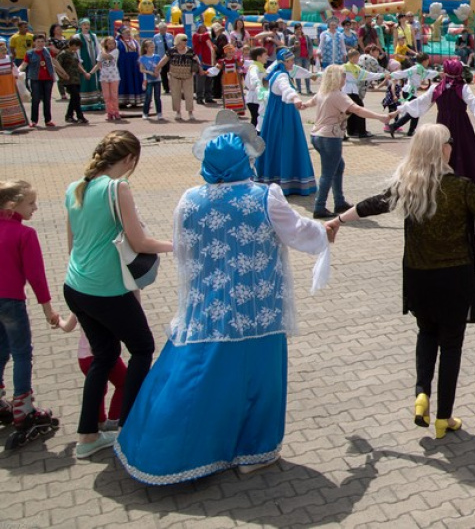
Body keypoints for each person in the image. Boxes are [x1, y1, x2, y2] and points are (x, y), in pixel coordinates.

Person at [116, 114, 331, 483]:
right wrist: (327, 231)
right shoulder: (264, 196)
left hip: (208, 306)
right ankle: (254, 451)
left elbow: (184, 249)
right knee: (258, 382)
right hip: (258, 308)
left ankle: (166, 446)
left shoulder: (190, 199)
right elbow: (299, 233)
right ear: (242, 160)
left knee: (197, 380)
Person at [326, 125, 475, 438]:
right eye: (449, 142)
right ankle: (444, 418)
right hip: (456, 278)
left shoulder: (408, 185)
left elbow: (373, 204)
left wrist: (336, 221)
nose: (452, 147)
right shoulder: (461, 187)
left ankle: (421, 393)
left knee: (426, 332)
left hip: (418, 277)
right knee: (451, 346)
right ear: (440, 149)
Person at [63, 132, 173, 458]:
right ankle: (128, 425)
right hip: (106, 290)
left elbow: (72, 247)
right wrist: (178, 245)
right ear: (129, 160)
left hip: (76, 287)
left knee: (105, 356)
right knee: (142, 348)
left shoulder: (74, 187)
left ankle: (87, 437)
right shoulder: (117, 188)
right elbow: (139, 243)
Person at [0, 180, 61, 446]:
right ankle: (23, 410)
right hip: (11, 302)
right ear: (13, 206)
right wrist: (48, 308)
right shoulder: (25, 234)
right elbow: (36, 275)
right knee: (22, 352)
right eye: (31, 203)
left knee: (2, 350)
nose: (35, 208)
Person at [397, 59, 475, 205]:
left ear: (445, 71)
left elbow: (420, 103)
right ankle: (471, 200)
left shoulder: (437, 88)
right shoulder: (461, 88)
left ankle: (441, 200)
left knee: (442, 159)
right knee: (467, 157)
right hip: (461, 127)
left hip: (443, 127)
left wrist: (398, 111)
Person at [307, 65, 394, 219]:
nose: (345, 79)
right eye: (343, 75)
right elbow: (358, 110)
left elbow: (309, 103)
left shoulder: (323, 92)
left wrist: (301, 104)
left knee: (338, 167)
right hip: (330, 137)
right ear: (335, 78)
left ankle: (339, 201)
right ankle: (319, 207)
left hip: (317, 136)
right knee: (328, 173)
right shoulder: (337, 95)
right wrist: (380, 117)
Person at [255, 49, 316, 196]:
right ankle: (287, 181)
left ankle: (273, 177)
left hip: (276, 115)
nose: (293, 63)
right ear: (284, 62)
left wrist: (314, 75)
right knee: (286, 144)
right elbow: (286, 88)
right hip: (284, 116)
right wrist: (295, 98)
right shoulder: (281, 75)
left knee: (276, 144)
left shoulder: (278, 73)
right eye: (290, 61)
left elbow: (298, 72)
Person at [58, 313, 124, 432]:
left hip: (84, 358)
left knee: (98, 389)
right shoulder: (108, 302)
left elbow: (68, 327)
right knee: (124, 382)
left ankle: (100, 421)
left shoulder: (79, 299)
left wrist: (58, 320)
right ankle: (114, 419)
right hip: (104, 354)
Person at [158, 33, 198, 121]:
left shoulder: (190, 50)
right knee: (176, 94)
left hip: (188, 76)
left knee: (189, 95)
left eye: (186, 40)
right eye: (184, 40)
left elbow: (196, 60)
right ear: (179, 41)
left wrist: (198, 69)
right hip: (174, 76)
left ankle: (190, 112)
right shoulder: (172, 51)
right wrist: (157, 68)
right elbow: (164, 60)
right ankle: (178, 112)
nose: (185, 42)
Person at [20, 34, 57, 128]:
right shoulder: (30, 53)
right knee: (35, 99)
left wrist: (63, 73)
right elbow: (24, 64)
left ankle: (48, 120)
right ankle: (34, 120)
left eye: (42, 41)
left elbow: (54, 62)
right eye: (38, 42)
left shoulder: (48, 51)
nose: (40, 44)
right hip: (35, 79)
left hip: (48, 78)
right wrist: (17, 71)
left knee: (47, 100)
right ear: (34, 43)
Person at [76, 19, 104, 113]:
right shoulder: (77, 36)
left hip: (94, 61)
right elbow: (77, 50)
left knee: (96, 80)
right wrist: (79, 60)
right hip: (85, 61)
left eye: (87, 24)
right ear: (81, 26)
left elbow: (97, 48)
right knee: (86, 80)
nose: (86, 26)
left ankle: (97, 102)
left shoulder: (94, 36)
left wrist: (99, 59)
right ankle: (86, 103)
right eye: (84, 24)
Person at [0, 40, 29, 131]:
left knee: (11, 104)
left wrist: (17, 77)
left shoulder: (8, 59)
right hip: (2, 86)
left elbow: (15, 71)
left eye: (4, 51)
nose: (3, 53)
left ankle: (14, 122)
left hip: (10, 86)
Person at [57, 36, 86, 125]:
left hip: (76, 78)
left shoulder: (74, 54)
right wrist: (62, 75)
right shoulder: (63, 54)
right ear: (71, 45)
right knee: (75, 96)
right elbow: (58, 66)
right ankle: (79, 116)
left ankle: (71, 115)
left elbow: (78, 64)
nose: (77, 48)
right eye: (76, 46)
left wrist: (84, 72)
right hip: (68, 80)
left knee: (75, 98)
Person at [116, 26, 143, 108]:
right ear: (121, 34)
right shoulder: (118, 42)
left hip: (134, 66)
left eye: (129, 32)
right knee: (125, 81)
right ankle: (122, 101)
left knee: (135, 80)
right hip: (123, 67)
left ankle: (134, 100)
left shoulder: (134, 41)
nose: (128, 34)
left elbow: (139, 52)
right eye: (126, 33)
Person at [98, 37, 122, 122]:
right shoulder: (101, 52)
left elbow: (107, 57)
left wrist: (102, 48)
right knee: (106, 96)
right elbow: (99, 63)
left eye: (113, 43)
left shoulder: (116, 51)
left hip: (114, 76)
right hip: (104, 77)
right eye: (109, 43)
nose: (111, 45)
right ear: (106, 44)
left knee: (114, 95)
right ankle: (109, 112)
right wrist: (90, 73)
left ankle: (116, 112)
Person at [138, 40, 163, 120]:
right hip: (148, 80)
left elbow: (160, 67)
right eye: (151, 47)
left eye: (153, 47)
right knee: (148, 97)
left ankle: (159, 113)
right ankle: (145, 113)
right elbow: (141, 69)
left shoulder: (157, 56)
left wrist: (157, 71)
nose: (153, 49)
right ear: (146, 48)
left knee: (157, 97)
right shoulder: (142, 58)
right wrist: (149, 72)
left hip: (157, 79)